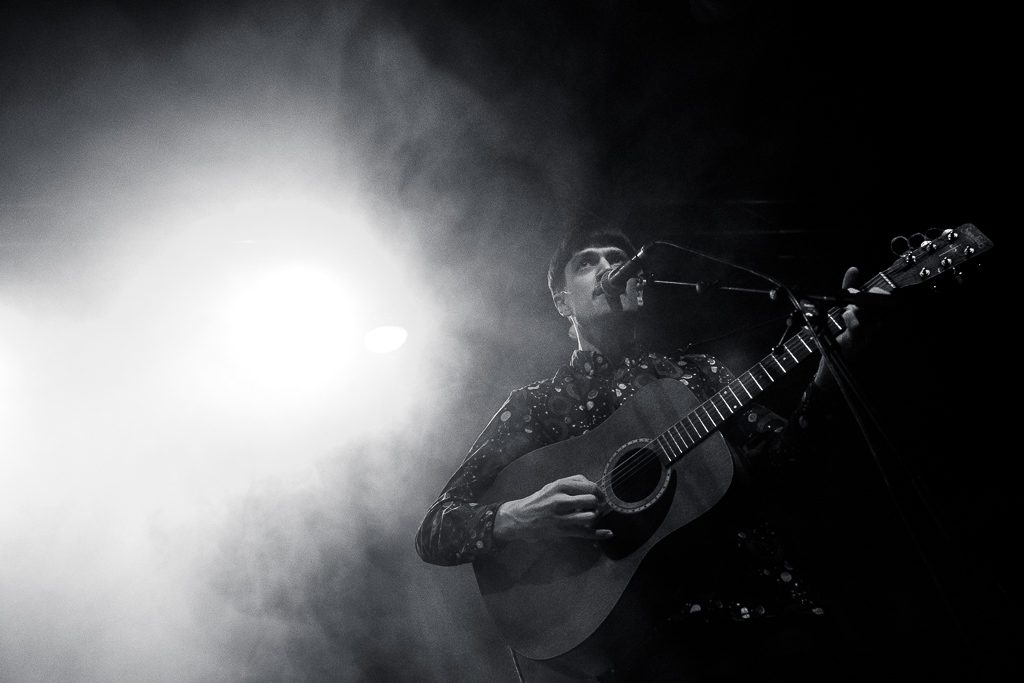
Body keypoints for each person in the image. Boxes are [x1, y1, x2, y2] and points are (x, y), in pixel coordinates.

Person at [415, 224, 890, 681]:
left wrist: (831, 371)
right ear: (562, 302)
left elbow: (790, 465)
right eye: (586, 264)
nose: (607, 269)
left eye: (618, 259)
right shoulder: (535, 406)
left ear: (638, 287)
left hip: (771, 617)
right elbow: (435, 528)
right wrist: (517, 515)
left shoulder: (698, 373)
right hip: (653, 650)